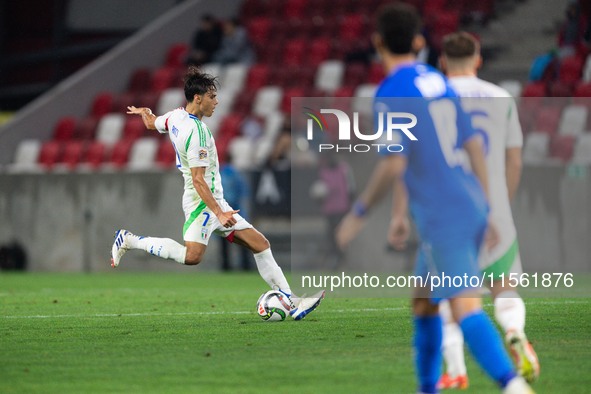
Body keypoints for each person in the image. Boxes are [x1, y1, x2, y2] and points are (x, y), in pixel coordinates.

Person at [336, 4, 534, 394]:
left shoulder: (391, 91)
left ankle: (513, 386)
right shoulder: (435, 81)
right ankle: (428, 388)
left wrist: (357, 214)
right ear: (420, 42)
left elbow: (394, 165)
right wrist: (490, 207)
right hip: (467, 203)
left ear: (377, 43)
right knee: (424, 302)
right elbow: (474, 145)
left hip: (446, 216)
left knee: (463, 308)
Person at [112, 66, 324, 320]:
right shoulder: (196, 132)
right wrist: (219, 212)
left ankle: (291, 301)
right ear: (198, 98)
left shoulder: (175, 116)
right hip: (202, 202)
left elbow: (151, 123)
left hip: (213, 201)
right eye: (212, 97)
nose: (217, 102)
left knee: (260, 244)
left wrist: (145, 112)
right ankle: (129, 240)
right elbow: (198, 179)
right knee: (192, 257)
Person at [436, 31, 540, 389]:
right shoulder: (501, 96)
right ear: (478, 60)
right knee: (504, 289)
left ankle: (455, 369)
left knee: (451, 296)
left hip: (449, 209)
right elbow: (515, 159)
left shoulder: (432, 99)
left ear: (443, 61)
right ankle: (514, 330)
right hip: (494, 206)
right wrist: (503, 202)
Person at [219, 152, 252, 271]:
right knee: (242, 240)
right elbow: (243, 192)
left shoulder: (220, 173)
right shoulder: (236, 173)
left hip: (223, 213)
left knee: (224, 241)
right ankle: (246, 265)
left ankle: (226, 266)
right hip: (237, 211)